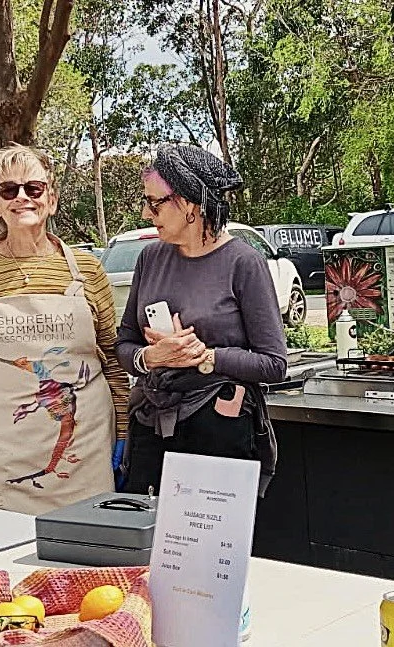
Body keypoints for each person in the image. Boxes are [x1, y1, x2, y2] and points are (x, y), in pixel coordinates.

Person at [0, 144, 129, 515]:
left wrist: (122, 431)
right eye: (9, 190)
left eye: (34, 188)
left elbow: (111, 356)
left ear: (51, 200)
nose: (22, 197)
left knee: (81, 551)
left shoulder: (88, 271)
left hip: (81, 455)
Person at [116, 146, 286, 498]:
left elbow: (273, 364)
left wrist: (205, 357)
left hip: (218, 429)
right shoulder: (150, 258)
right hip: (151, 425)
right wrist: (150, 358)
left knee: (209, 532)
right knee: (143, 531)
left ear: (190, 204)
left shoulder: (244, 262)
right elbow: (124, 343)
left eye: (155, 203)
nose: (146, 213)